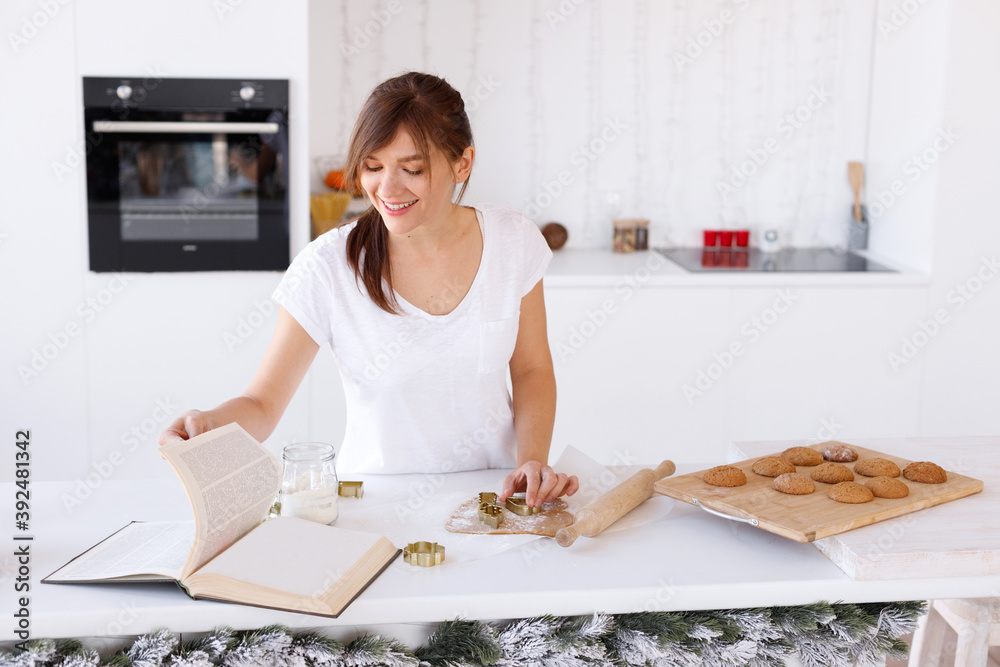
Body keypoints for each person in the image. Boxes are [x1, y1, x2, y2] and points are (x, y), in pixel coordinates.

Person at [159, 71, 578, 507]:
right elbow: (262, 404)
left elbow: (531, 370)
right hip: (375, 505)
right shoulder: (328, 266)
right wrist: (206, 425)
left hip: (493, 497)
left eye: (412, 169)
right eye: (372, 167)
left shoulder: (513, 241)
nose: (387, 189)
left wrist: (532, 462)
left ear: (463, 163)